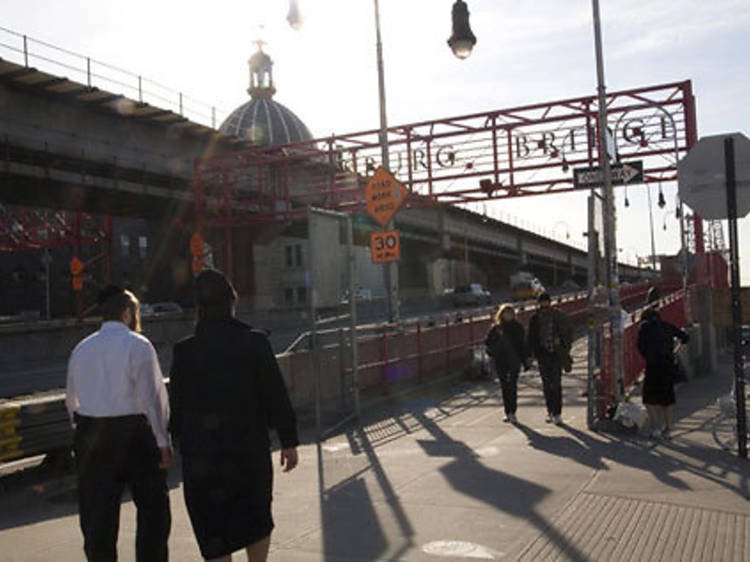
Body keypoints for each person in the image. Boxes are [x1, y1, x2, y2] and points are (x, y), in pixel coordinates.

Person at [169, 269, 299, 562]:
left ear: (199, 308)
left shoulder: (184, 351)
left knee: (211, 526)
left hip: (201, 457)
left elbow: (176, 404)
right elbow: (275, 395)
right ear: (232, 302)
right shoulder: (254, 342)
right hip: (247, 451)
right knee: (255, 517)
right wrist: (289, 441)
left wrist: (177, 441)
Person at [66, 285, 171, 562]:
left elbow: (71, 401)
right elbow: (154, 398)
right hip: (134, 433)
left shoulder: (81, 348)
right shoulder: (139, 345)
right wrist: (163, 441)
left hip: (92, 435)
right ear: (127, 313)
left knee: (97, 518)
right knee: (153, 511)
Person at [637, 295, 689, 440]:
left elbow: (640, 346)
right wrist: (676, 350)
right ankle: (668, 428)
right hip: (668, 365)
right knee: (667, 398)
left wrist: (648, 356)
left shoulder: (644, 326)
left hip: (653, 366)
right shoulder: (667, 325)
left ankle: (655, 428)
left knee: (649, 399)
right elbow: (685, 337)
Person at [527, 292, 573, 425]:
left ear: (550, 302)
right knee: (547, 385)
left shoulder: (558, 316)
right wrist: (530, 354)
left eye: (546, 301)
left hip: (556, 354)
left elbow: (569, 331)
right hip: (542, 355)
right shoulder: (535, 318)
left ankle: (557, 413)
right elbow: (531, 337)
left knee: (556, 385)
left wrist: (564, 344)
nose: (544, 304)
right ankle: (551, 412)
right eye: (542, 302)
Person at [485, 303, 528, 423]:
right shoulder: (496, 328)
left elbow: (522, 345)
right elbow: (487, 342)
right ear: (501, 315)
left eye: (510, 313)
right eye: (505, 313)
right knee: (504, 387)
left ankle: (512, 411)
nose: (508, 315)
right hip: (501, 361)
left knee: (512, 386)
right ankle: (507, 411)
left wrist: (525, 360)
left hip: (514, 360)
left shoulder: (518, 327)